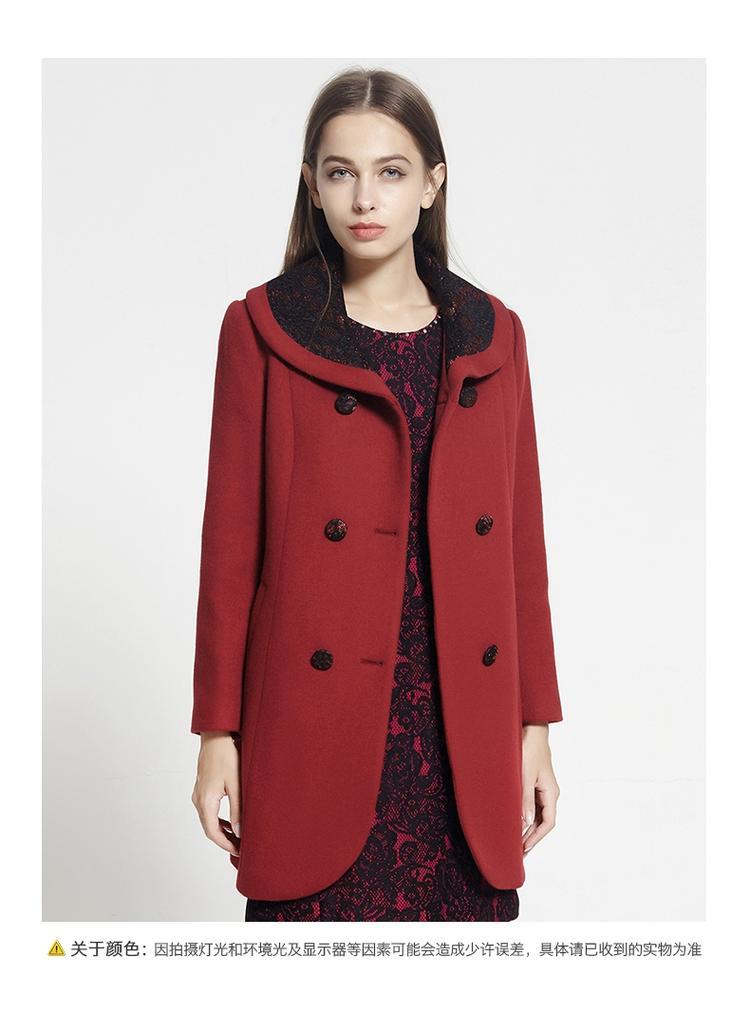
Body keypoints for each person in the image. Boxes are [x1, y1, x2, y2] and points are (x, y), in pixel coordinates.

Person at [191, 66, 562, 923]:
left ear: (432, 183)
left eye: (391, 171)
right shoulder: (263, 330)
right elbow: (229, 551)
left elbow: (520, 549)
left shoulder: (494, 336)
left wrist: (534, 726)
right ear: (312, 185)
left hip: (459, 725)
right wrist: (217, 734)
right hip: (315, 719)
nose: (365, 197)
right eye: (341, 171)